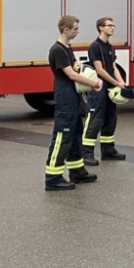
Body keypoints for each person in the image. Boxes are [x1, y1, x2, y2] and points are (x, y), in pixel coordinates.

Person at [44, 15, 102, 191]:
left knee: (76, 134)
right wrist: (93, 83)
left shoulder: (67, 48)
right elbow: (72, 74)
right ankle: (53, 178)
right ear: (66, 30)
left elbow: (78, 69)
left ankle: (77, 171)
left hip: (74, 98)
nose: (78, 31)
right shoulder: (57, 50)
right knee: (63, 137)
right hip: (65, 100)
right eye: (75, 28)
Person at [81, 17, 128, 165]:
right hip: (99, 88)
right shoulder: (95, 46)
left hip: (110, 88)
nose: (112, 28)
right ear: (101, 28)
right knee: (95, 120)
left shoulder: (110, 47)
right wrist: (115, 82)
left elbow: (113, 67)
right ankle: (87, 153)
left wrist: (121, 82)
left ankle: (108, 150)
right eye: (109, 26)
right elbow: (100, 70)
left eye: (113, 25)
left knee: (110, 118)